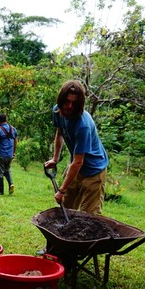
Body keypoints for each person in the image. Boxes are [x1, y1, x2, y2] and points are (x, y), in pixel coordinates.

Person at [45, 80, 109, 215]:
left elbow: (79, 161)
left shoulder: (83, 125)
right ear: (61, 99)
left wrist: (61, 190)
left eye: (74, 104)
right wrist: (55, 159)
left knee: (89, 218)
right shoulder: (58, 110)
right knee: (65, 211)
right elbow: (60, 133)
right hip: (75, 169)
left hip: (94, 172)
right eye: (67, 101)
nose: (69, 106)